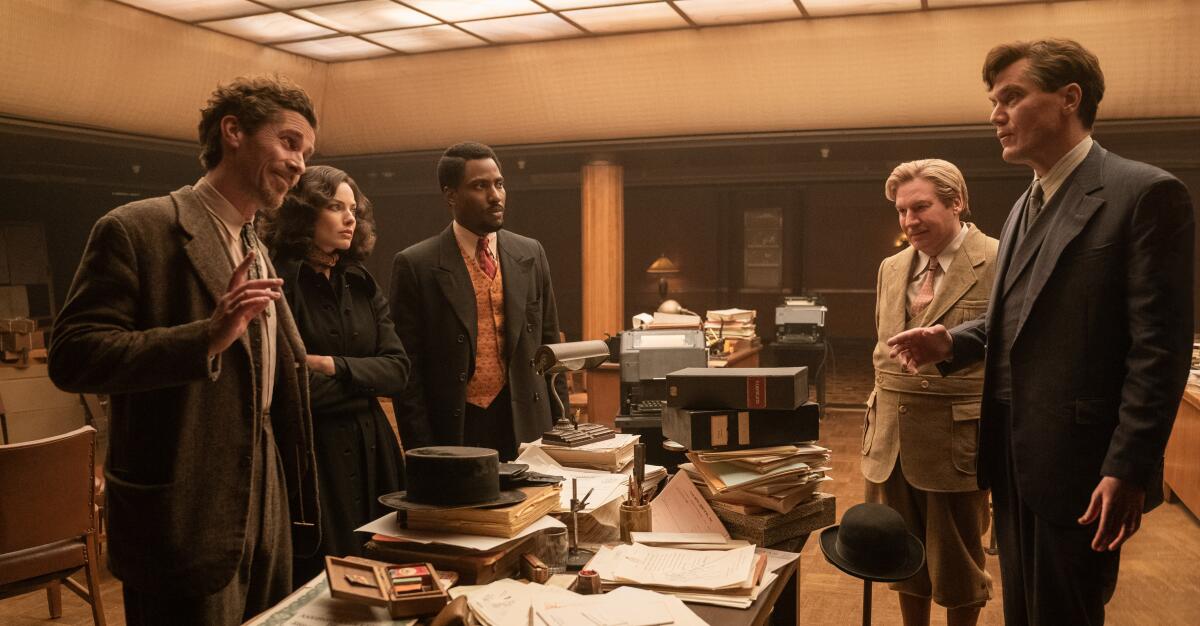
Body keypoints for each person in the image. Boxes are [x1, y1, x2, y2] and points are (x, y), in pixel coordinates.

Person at [886, 39, 1194, 625]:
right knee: (1024, 613)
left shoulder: (1144, 194)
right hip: (1013, 456)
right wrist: (955, 340)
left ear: (1068, 99)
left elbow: (1159, 351)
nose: (995, 115)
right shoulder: (1025, 204)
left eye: (1012, 97)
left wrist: (1127, 467)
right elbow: (1022, 319)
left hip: (1083, 467)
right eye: (993, 101)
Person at [49, 76, 321, 625]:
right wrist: (205, 337)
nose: (299, 165)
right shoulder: (136, 228)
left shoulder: (255, 244)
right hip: (181, 506)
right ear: (234, 131)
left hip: (266, 495)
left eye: (307, 154)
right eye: (290, 142)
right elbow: (74, 355)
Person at [259, 165, 411, 584]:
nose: (350, 218)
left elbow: (398, 371)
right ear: (304, 214)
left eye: (353, 209)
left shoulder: (361, 281)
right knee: (324, 580)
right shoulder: (277, 282)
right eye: (335, 207)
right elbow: (286, 387)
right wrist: (365, 382)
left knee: (385, 571)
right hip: (312, 454)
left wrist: (332, 365)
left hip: (375, 452)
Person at [863, 159, 997, 626]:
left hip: (955, 439)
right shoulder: (892, 266)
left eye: (920, 207)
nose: (908, 220)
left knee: (959, 564)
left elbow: (1010, 346)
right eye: (901, 211)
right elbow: (883, 351)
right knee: (902, 558)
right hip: (892, 440)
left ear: (956, 201)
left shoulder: (999, 259)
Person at [390, 141, 567, 461]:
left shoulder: (530, 252)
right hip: (456, 425)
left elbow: (551, 346)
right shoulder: (416, 264)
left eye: (499, 184)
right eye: (480, 186)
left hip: (527, 422)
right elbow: (408, 372)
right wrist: (421, 450)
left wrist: (562, 429)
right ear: (451, 195)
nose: (495, 195)